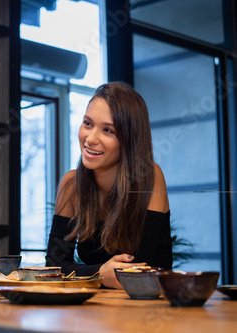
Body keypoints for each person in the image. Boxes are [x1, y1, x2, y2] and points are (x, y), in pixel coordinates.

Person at [46, 82, 172, 289]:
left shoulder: (150, 176)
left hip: (147, 306)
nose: (91, 138)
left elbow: (138, 268)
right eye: (87, 123)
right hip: (95, 306)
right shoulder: (71, 184)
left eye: (108, 130)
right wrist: (98, 274)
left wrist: (91, 275)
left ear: (130, 140)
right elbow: (53, 266)